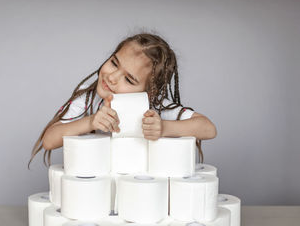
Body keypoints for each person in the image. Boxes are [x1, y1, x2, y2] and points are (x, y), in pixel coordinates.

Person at [28, 32, 217, 169]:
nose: (112, 77)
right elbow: (49, 140)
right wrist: (90, 121)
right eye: (114, 63)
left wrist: (164, 128)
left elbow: (208, 128)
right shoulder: (88, 100)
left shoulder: (155, 108)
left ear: (149, 93)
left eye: (129, 79)